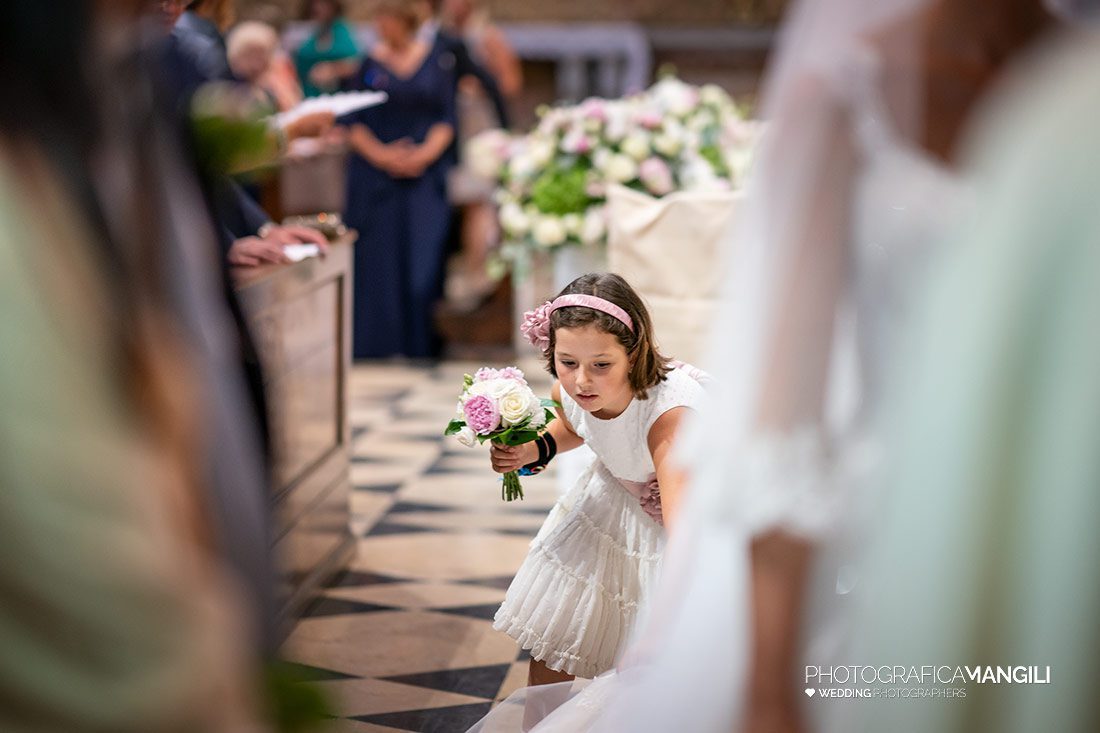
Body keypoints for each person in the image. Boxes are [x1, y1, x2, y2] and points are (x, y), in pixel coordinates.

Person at [488, 273, 705, 697]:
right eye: (568, 362)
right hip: (607, 500)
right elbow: (576, 424)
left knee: (647, 667)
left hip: (673, 527)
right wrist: (533, 450)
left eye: (601, 365)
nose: (582, 381)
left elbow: (687, 538)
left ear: (634, 353)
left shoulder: (669, 417)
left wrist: (658, 632)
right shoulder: (569, 388)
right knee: (557, 629)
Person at [338, 0, 456, 358]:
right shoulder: (368, 63)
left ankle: (421, 347)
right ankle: (377, 347)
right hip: (376, 181)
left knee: (422, 263)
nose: (379, 25)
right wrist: (384, 156)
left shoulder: (436, 59)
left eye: (385, 18)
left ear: (404, 21)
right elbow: (351, 122)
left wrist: (422, 155)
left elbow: (446, 118)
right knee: (379, 266)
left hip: (423, 178)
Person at [295, 0, 360, 97]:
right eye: (316, 3)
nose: (318, 7)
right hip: (311, 96)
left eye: (324, 4)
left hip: (340, 96)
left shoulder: (342, 32)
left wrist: (333, 69)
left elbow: (357, 63)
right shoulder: (312, 33)